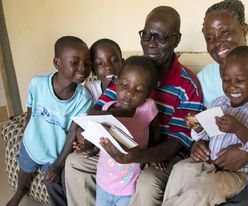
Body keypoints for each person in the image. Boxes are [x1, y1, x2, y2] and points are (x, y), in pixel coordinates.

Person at [64, 6, 203, 206]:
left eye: (161, 37)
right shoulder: (128, 71)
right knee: (75, 163)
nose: (151, 43)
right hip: (119, 148)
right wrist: (87, 137)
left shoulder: (188, 86)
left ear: (176, 39)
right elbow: (98, 111)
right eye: (146, 35)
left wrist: (140, 156)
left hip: (160, 155)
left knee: (147, 183)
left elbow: (177, 141)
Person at [192, 1, 248, 204]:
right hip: (215, 163)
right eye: (210, 38)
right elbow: (208, 127)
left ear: (244, 29)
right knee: (185, 175)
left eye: (225, 33)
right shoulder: (205, 78)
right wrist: (199, 142)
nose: (218, 43)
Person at [162, 46, 248, 205]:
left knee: (201, 189)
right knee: (181, 170)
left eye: (240, 80)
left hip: (237, 173)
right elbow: (205, 134)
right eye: (226, 80)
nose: (232, 86)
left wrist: (237, 128)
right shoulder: (219, 103)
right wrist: (198, 127)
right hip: (209, 162)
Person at [6, 36, 92, 206]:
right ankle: (20, 191)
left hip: (55, 153)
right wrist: (28, 133)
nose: (83, 68)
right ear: (57, 63)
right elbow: (31, 111)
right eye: (75, 62)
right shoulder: (37, 83)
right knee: (24, 167)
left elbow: (73, 132)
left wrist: (58, 165)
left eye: (87, 63)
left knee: (52, 181)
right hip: (32, 143)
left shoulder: (84, 99)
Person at [64, 38, 124, 206]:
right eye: (100, 63)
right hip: (99, 148)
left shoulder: (129, 88)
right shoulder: (90, 91)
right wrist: (83, 139)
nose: (109, 68)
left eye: (114, 61)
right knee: (72, 162)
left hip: (120, 149)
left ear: (123, 62)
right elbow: (82, 123)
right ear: (93, 69)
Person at [96, 55, 160, 206]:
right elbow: (99, 140)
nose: (129, 93)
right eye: (124, 85)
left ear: (148, 93)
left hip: (128, 187)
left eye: (138, 90)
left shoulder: (148, 109)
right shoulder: (107, 109)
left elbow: (156, 132)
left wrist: (154, 155)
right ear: (117, 83)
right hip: (103, 182)